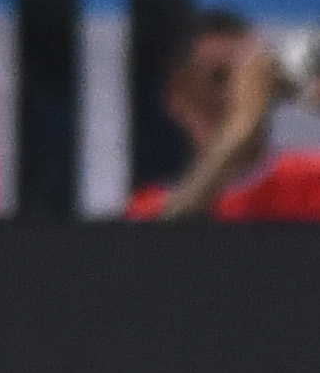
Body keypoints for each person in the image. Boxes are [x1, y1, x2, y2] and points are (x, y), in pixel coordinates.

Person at [130, 11, 320, 218]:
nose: (240, 92)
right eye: (221, 77)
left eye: (252, 77)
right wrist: (239, 131)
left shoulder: (311, 178)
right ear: (179, 93)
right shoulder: (148, 207)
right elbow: (156, 241)